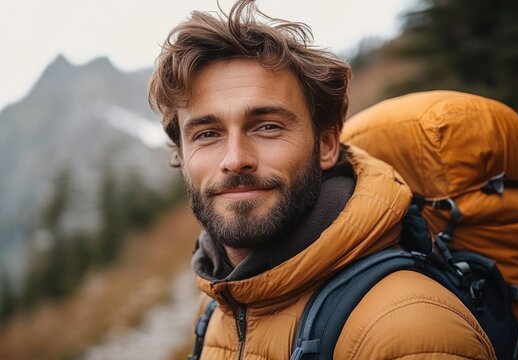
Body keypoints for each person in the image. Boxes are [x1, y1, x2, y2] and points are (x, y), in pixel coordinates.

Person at [148, 1, 496, 358]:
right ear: (182, 153)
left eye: (268, 126)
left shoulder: (408, 332)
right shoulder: (220, 304)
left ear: (327, 144)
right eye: (207, 134)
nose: (235, 160)